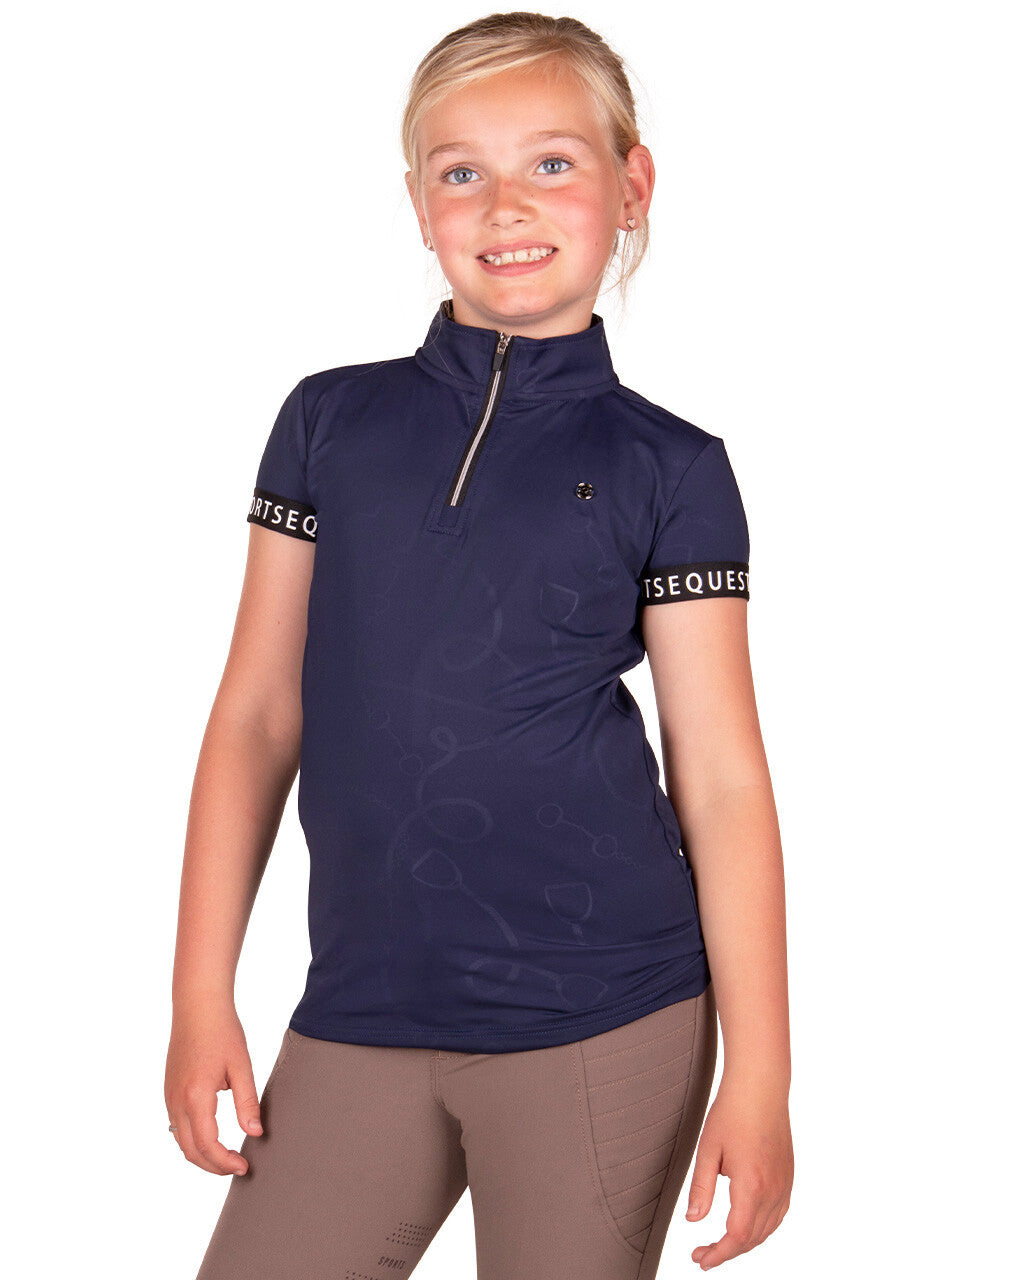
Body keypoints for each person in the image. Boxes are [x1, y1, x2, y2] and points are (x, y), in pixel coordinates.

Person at [166, 12, 793, 1279]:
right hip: (360, 1006)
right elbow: (258, 714)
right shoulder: (328, 423)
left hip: (602, 1011)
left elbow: (720, 775)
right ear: (418, 202)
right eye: (461, 170)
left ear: (632, 185)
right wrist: (198, 994)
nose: (506, 203)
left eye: (552, 162)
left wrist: (762, 1077)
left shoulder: (670, 467)